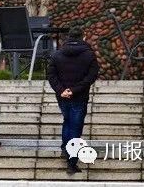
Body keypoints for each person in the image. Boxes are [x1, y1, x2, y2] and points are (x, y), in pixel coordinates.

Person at [47, 26, 100, 175]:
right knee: (75, 128)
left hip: (62, 96)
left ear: (68, 38)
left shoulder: (57, 54)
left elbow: (51, 75)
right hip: (80, 96)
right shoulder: (89, 55)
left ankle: (65, 148)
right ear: (83, 37)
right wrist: (75, 90)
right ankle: (72, 162)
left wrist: (61, 90)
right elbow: (92, 75)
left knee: (68, 121)